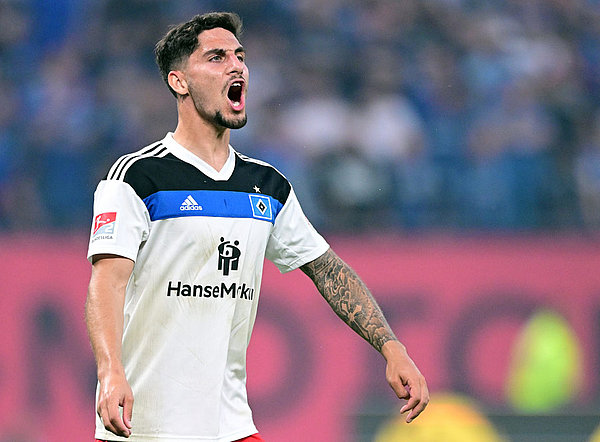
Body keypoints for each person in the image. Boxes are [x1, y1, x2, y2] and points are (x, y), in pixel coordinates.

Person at [85, 11, 429, 442]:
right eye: (216, 57)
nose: (236, 66)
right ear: (179, 81)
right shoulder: (137, 176)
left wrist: (391, 347)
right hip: (143, 427)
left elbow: (327, 269)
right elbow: (107, 283)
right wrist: (110, 372)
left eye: (240, 56)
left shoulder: (267, 186)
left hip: (231, 426)